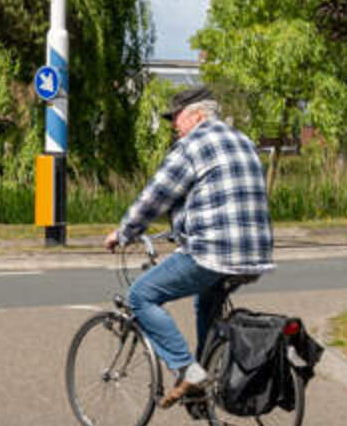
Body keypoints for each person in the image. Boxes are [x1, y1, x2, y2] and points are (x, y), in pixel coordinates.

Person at [104, 85, 274, 408]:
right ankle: (206, 380)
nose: (173, 124)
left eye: (177, 117)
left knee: (141, 296)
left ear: (197, 115)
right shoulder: (243, 140)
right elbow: (220, 198)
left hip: (213, 251)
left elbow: (156, 195)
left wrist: (124, 232)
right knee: (205, 302)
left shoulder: (193, 145)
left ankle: (188, 371)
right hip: (256, 254)